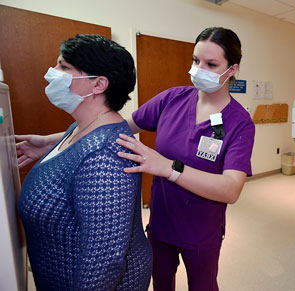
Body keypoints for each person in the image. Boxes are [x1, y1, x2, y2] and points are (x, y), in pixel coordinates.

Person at [115, 26, 255, 291]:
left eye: (211, 64)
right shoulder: (173, 99)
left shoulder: (240, 123)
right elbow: (116, 127)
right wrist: (55, 142)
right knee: (161, 283)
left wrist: (169, 168)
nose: (198, 69)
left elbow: (231, 189)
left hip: (201, 232)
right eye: (195, 60)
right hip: (161, 223)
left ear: (232, 69)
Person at [16, 34, 152, 291]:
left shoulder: (105, 156)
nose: (51, 73)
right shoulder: (79, 129)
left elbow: (104, 262)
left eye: (64, 67)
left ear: (99, 84)